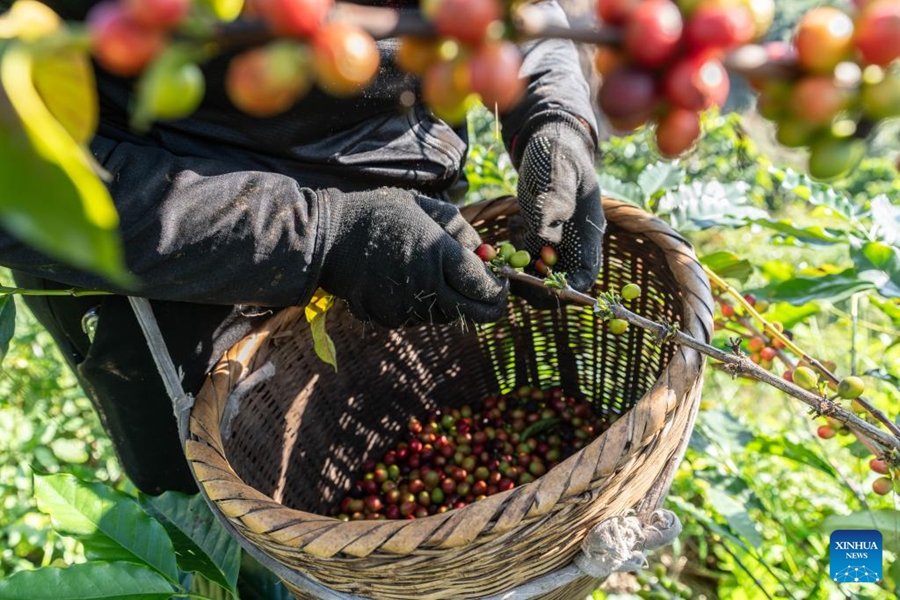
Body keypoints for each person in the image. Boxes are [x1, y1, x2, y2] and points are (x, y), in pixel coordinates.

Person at [0, 0, 603, 495]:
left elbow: (514, 14)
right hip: (190, 266)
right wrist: (315, 232)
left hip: (412, 218)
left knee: (422, 433)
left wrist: (551, 109)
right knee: (244, 512)